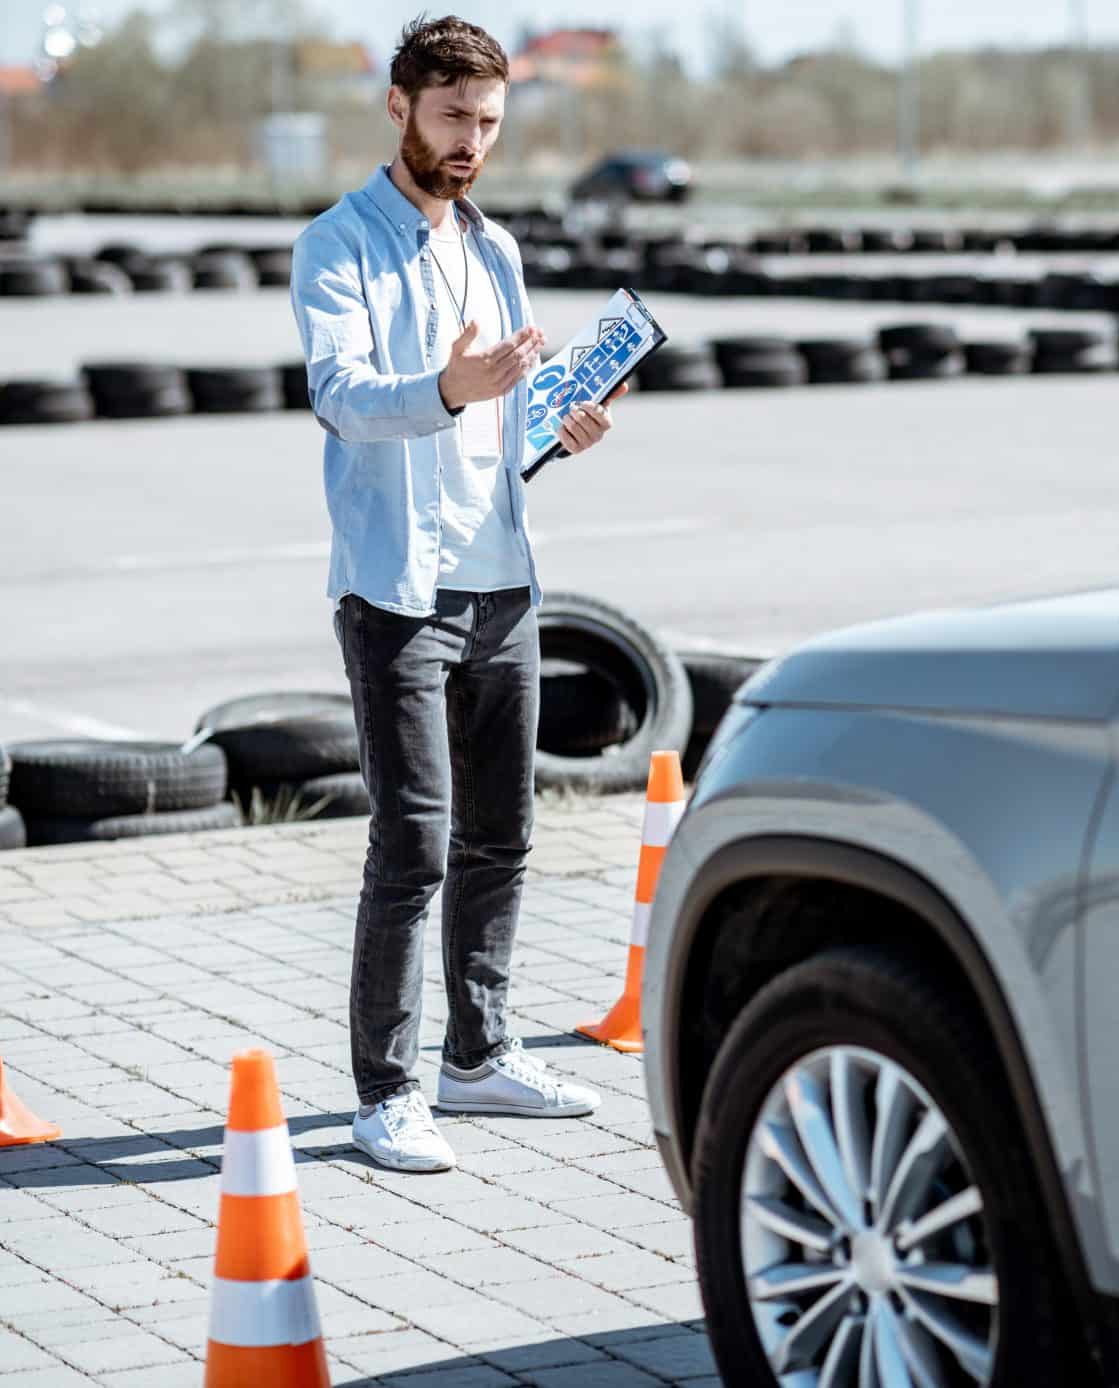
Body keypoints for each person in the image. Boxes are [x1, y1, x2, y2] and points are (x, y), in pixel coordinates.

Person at [290, 15, 623, 1173]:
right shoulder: (335, 246)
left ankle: (476, 1058)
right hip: (399, 590)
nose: (471, 141)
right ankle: (383, 1092)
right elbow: (343, 395)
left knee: (505, 837)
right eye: (451, 118)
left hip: (503, 583)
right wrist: (446, 383)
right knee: (413, 844)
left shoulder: (497, 249)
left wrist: (558, 431)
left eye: (487, 122)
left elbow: (503, 425)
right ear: (398, 107)